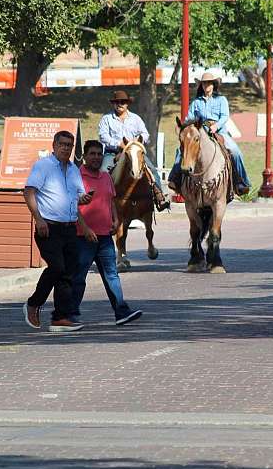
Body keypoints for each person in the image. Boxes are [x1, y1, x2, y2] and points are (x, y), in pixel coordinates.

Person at [22, 130, 93, 333]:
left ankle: (60, 318)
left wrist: (84, 200)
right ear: (54, 145)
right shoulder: (43, 165)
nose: (66, 148)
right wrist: (38, 218)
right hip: (48, 227)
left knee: (69, 273)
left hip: (69, 227)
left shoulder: (73, 170)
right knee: (57, 267)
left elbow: (76, 199)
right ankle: (33, 304)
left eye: (69, 145)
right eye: (62, 144)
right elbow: (29, 191)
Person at [72, 140, 142, 325]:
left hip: (104, 237)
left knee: (112, 275)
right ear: (84, 156)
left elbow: (111, 200)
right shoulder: (76, 176)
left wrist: (116, 220)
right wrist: (85, 228)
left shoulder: (105, 177)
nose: (96, 157)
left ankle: (121, 312)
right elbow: (72, 205)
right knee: (79, 277)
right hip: (82, 237)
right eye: (92, 154)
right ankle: (70, 314)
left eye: (98, 154)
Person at [168, 71, 251, 195]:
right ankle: (175, 179)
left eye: (209, 83)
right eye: (204, 83)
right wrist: (183, 128)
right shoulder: (196, 102)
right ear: (201, 85)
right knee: (181, 150)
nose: (207, 86)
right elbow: (189, 119)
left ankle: (241, 181)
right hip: (200, 133)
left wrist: (216, 126)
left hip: (219, 132)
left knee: (235, 151)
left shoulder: (221, 100)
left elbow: (224, 116)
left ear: (214, 85)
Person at [98, 90, 170, 212]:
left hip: (133, 152)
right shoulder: (106, 119)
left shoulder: (136, 119)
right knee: (103, 171)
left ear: (127, 104)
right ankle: (102, 202)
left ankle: (159, 196)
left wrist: (138, 140)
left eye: (123, 102)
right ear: (113, 104)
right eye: (117, 102)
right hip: (114, 152)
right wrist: (118, 143)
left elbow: (145, 134)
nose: (120, 104)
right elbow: (103, 136)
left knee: (152, 169)